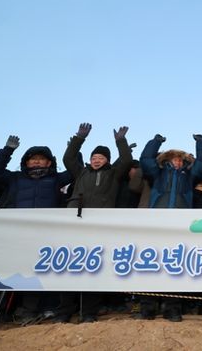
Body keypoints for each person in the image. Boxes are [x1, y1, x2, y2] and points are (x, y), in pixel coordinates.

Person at [0, 136, 73, 330]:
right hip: (11, 234)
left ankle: (27, 312)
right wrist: (7, 150)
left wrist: (73, 149)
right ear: (26, 162)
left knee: (34, 274)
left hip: (42, 235)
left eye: (41, 159)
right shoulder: (15, 178)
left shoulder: (56, 179)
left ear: (49, 163)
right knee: (2, 273)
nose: (37, 162)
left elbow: (74, 171)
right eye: (33, 159)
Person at [54, 123, 134, 323]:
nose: (97, 160)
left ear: (107, 160)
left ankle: (89, 312)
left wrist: (121, 141)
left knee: (93, 268)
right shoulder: (81, 172)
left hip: (99, 226)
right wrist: (79, 138)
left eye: (101, 158)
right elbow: (68, 158)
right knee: (69, 267)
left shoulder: (113, 173)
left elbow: (126, 159)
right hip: (76, 223)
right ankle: (64, 312)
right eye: (94, 158)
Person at [138, 132, 202, 321]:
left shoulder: (189, 175)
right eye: (174, 159)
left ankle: (172, 308)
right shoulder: (158, 173)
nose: (177, 162)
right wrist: (155, 142)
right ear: (167, 161)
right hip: (157, 223)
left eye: (180, 160)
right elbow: (145, 160)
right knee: (152, 264)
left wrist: (201, 143)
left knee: (174, 266)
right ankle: (147, 307)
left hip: (179, 225)